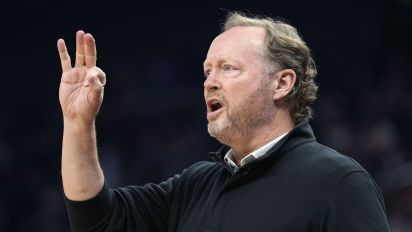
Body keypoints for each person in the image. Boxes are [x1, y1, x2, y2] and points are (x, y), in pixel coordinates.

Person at [57, 12, 390, 232]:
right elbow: (97, 221)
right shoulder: (195, 184)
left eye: (229, 68)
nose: (209, 82)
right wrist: (77, 124)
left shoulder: (339, 184)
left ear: (282, 83)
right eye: (207, 71)